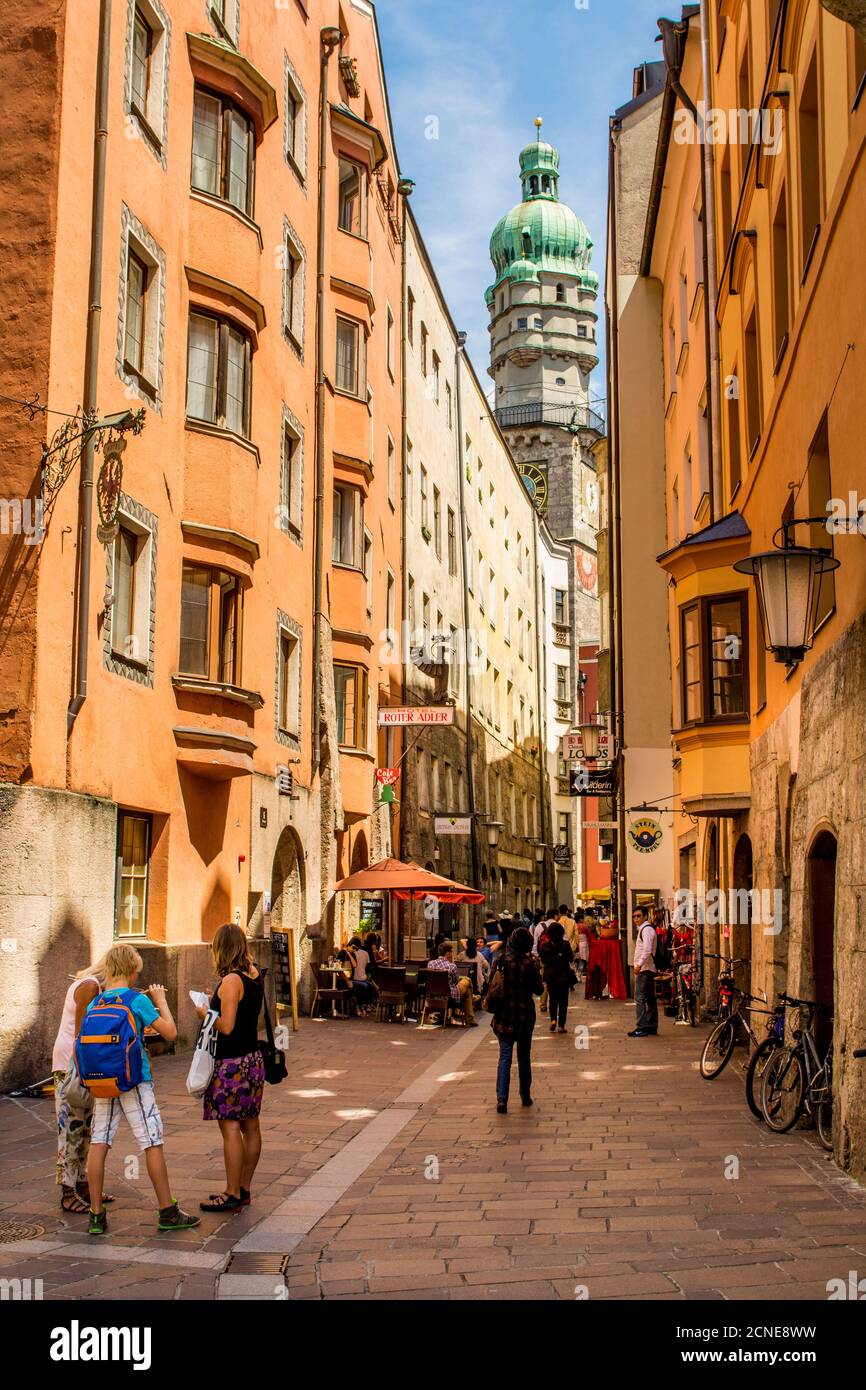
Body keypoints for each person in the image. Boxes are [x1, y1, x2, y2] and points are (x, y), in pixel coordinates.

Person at [85, 944, 199, 1235]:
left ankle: (96, 1214)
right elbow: (171, 1033)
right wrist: (160, 1000)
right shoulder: (136, 999)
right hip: (134, 1079)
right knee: (151, 1141)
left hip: (102, 1079)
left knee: (99, 1141)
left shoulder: (95, 1003)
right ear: (131, 970)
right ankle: (167, 1210)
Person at [194, 923, 266, 1213]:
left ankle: (232, 1192)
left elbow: (226, 1026)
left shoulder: (231, 981)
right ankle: (245, 1187)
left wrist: (205, 1013)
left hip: (231, 1063)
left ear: (221, 949)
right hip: (253, 1060)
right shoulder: (254, 974)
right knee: (251, 1125)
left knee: (231, 1128)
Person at [52, 954, 109, 1214]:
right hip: (71, 1065)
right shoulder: (90, 986)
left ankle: (83, 1184)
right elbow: (81, 1033)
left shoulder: (90, 984)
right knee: (70, 1129)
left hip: (76, 1061)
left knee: (85, 1126)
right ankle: (67, 1191)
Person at [490, 926, 543, 1113]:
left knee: (504, 1056)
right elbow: (539, 990)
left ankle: (502, 1098)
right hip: (524, 1015)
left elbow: (492, 983)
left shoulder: (501, 961)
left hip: (504, 1014)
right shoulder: (530, 964)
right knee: (524, 1057)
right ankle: (525, 1095)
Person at [426, 941, 477, 1024]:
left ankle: (472, 1000)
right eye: (451, 952)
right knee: (467, 980)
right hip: (450, 995)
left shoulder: (430, 964)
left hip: (433, 994)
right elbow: (455, 981)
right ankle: (473, 1000)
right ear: (448, 953)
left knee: (467, 990)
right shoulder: (452, 966)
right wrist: (452, 962)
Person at [629, 906, 659, 1037]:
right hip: (647, 968)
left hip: (645, 969)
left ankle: (641, 1027)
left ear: (645, 916)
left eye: (639, 916)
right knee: (650, 998)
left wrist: (638, 965)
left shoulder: (646, 930)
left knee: (640, 998)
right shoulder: (645, 929)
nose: (636, 918)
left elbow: (647, 950)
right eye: (634, 916)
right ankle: (651, 1026)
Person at [540, 921, 575, 1034]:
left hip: (550, 976)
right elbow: (570, 958)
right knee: (563, 1001)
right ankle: (561, 1025)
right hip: (563, 975)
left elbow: (543, 959)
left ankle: (553, 1020)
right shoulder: (565, 944)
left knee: (553, 1000)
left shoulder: (545, 945)